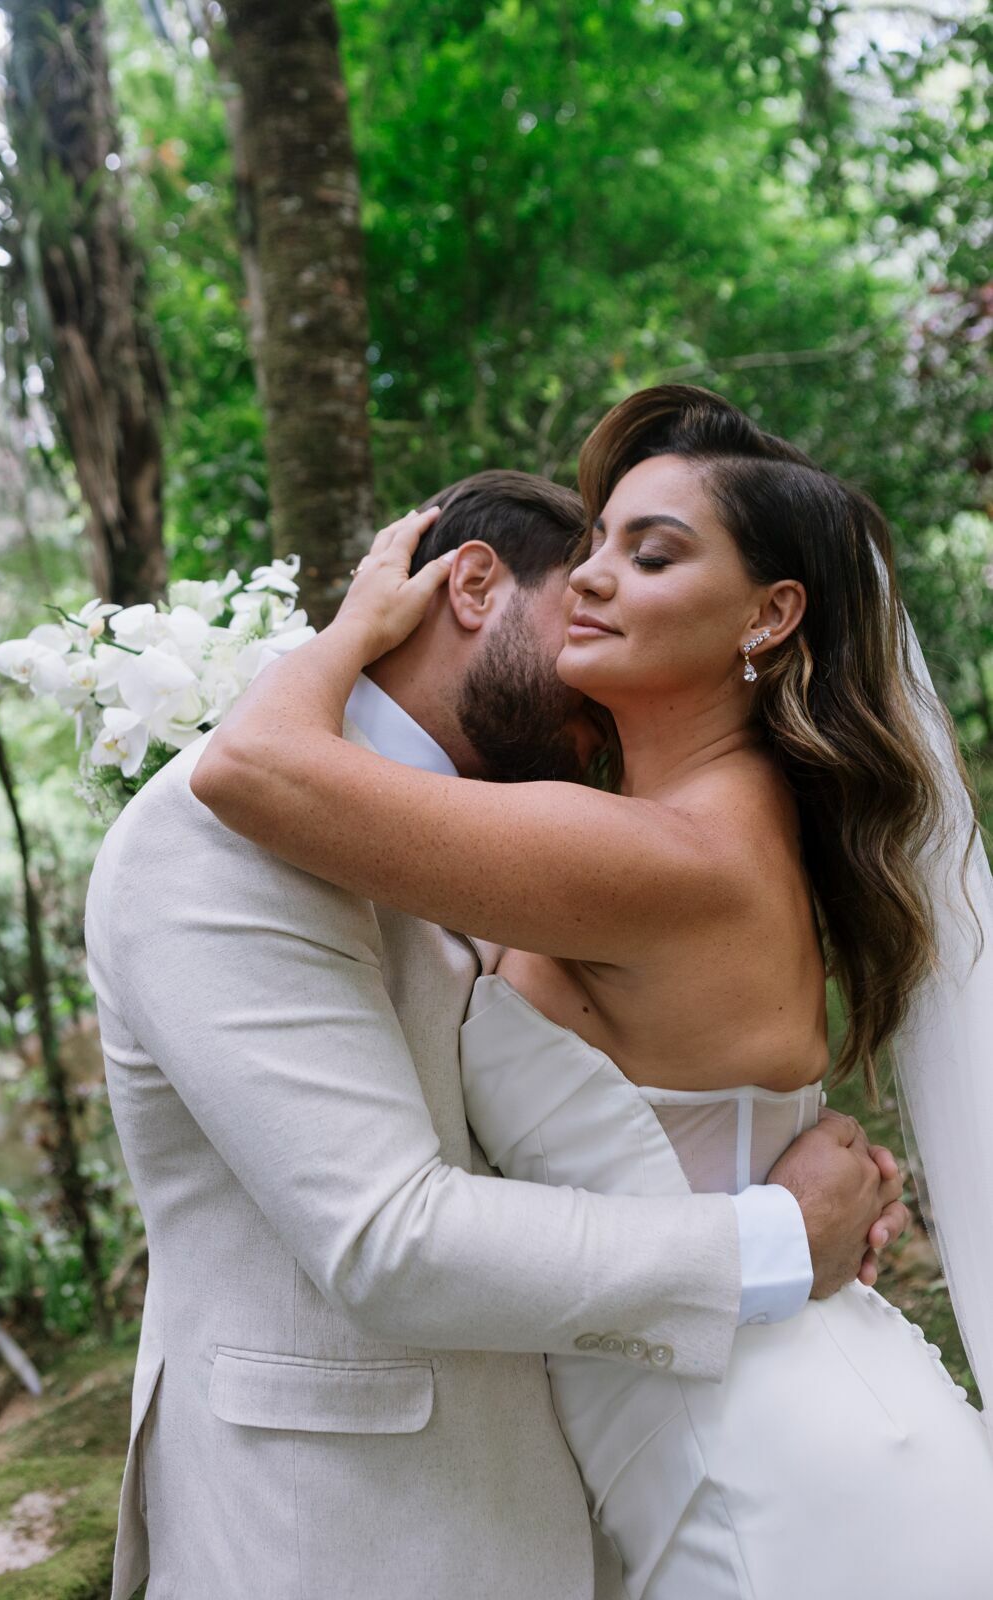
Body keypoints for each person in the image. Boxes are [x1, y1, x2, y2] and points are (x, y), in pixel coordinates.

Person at [191, 387, 993, 1599]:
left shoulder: (663, 854)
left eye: (650, 554)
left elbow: (248, 765)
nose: (590, 578)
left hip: (775, 1482)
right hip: (744, 1433)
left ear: (768, 615)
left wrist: (354, 623)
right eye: (595, 544)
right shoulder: (678, 826)